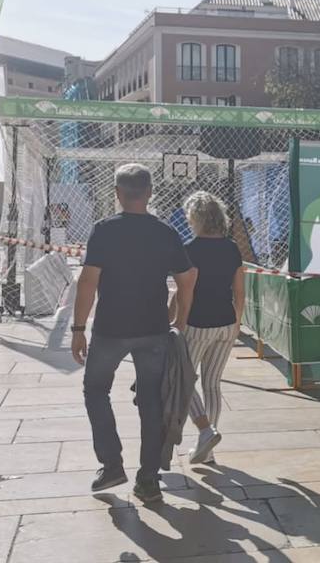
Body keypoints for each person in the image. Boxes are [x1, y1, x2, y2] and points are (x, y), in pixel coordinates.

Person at [71, 164, 197, 503]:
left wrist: (78, 328)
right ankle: (148, 478)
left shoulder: (104, 230)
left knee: (96, 390)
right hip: (153, 329)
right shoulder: (165, 232)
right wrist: (181, 321)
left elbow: (87, 282)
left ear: (117, 193)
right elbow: (188, 277)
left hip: (111, 328)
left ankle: (112, 463)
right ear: (150, 192)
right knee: (152, 400)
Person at [169, 191, 245, 466]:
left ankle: (206, 432)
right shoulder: (232, 247)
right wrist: (236, 324)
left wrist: (176, 321)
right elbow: (239, 291)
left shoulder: (189, 249)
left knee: (183, 381)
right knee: (212, 384)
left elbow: (183, 292)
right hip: (226, 323)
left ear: (195, 218)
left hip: (197, 324)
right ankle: (208, 449)